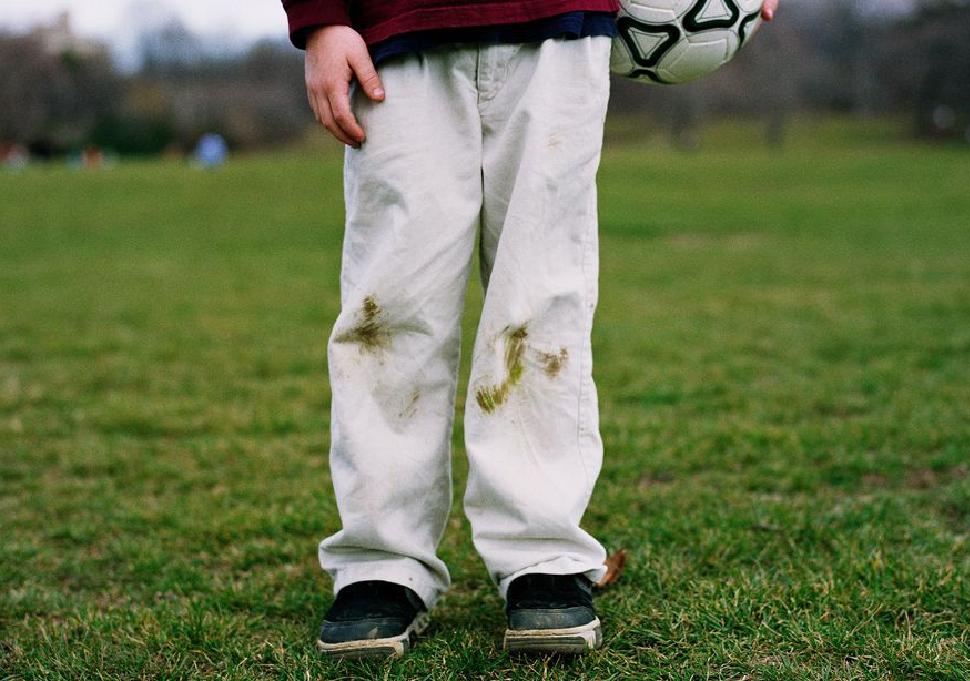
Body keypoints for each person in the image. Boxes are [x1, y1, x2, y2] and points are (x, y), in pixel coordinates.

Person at [281, 0, 779, 659]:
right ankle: (381, 560)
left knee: (540, 299)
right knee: (389, 307)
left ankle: (540, 552)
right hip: (395, 33)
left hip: (559, 24)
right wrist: (320, 17)